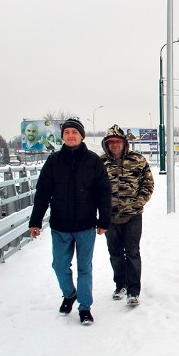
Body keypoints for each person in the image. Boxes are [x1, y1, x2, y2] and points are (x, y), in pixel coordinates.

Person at [28, 118, 111, 325]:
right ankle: (69, 294)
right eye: (67, 133)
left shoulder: (93, 161)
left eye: (75, 132)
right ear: (62, 136)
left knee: (85, 268)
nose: (71, 136)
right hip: (60, 225)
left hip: (85, 226)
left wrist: (104, 220)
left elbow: (104, 193)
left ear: (81, 136)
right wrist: (35, 221)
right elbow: (43, 193)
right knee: (59, 266)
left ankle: (84, 307)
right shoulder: (53, 161)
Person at [101, 124, 154, 306]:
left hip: (133, 216)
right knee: (115, 253)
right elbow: (92, 189)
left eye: (118, 142)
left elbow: (147, 185)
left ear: (124, 143)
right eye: (111, 142)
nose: (114, 145)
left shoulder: (138, 161)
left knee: (132, 252)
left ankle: (133, 291)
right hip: (109, 217)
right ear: (106, 145)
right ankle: (120, 285)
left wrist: (137, 203)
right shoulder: (100, 164)